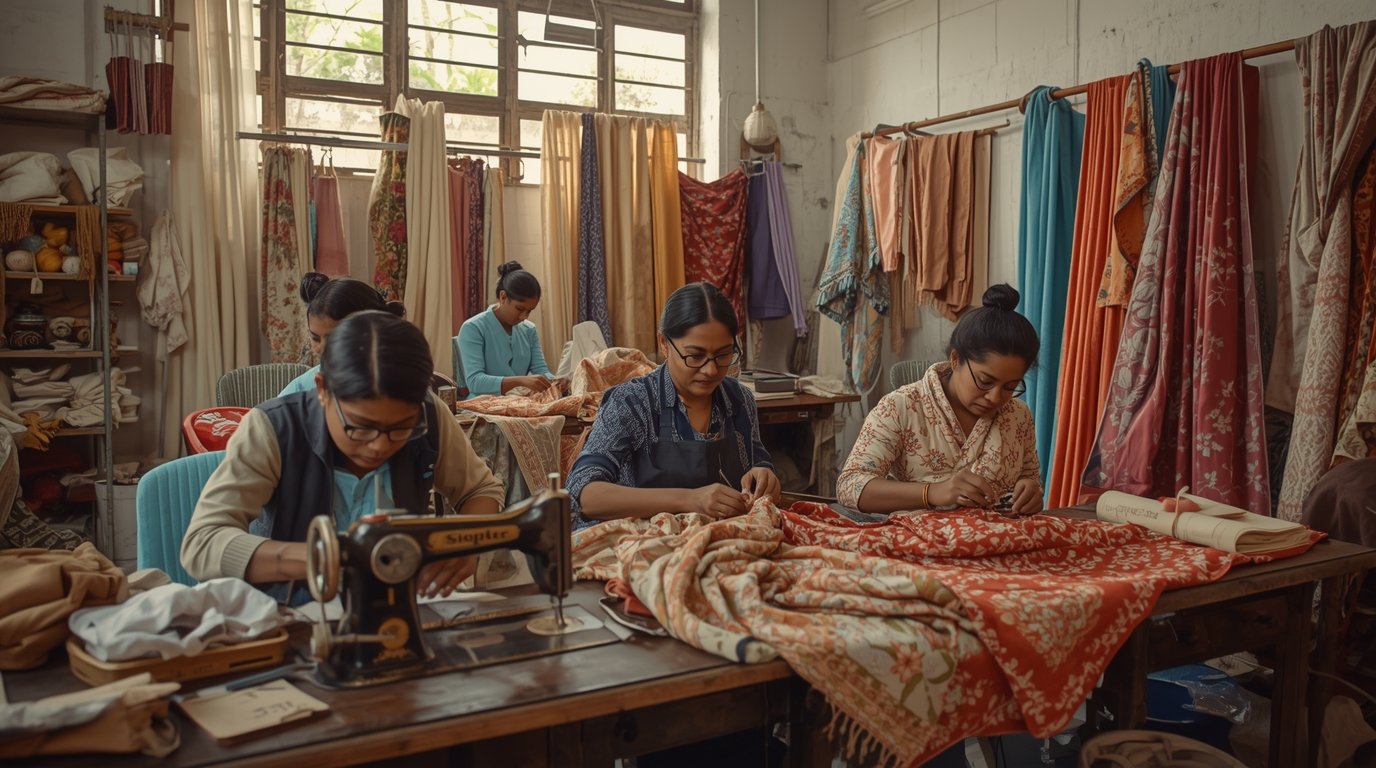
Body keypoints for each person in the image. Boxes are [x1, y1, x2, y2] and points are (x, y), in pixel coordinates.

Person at [182, 311, 505, 605]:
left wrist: (468, 543)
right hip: (293, 612)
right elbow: (203, 542)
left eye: (400, 429)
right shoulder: (273, 429)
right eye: (360, 427)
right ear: (323, 390)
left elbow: (480, 490)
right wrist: (327, 557)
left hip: (397, 604)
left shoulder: (430, 416)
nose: (379, 446)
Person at [567, 282, 781, 530]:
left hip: (722, 536)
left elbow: (758, 464)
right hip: (643, 540)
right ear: (664, 343)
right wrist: (689, 500)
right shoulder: (632, 402)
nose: (711, 370)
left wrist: (765, 478)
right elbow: (584, 493)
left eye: (723, 355)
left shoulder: (739, 400)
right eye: (695, 356)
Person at [837, 284, 1043, 517]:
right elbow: (850, 486)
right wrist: (932, 492)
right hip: (921, 535)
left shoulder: (1018, 415)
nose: (996, 397)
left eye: (1010, 387)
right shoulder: (900, 407)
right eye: (985, 381)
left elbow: (1030, 478)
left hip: (1002, 534)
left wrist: (1031, 492)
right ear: (955, 359)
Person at [279, 272, 405, 396]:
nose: (321, 348)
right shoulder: (298, 392)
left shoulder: (402, 385)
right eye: (315, 338)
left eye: (334, 338)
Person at [457, 261, 556, 398]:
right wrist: (521, 381)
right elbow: (475, 381)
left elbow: (540, 370)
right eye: (519, 309)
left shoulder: (529, 330)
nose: (524, 316)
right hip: (483, 404)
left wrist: (555, 380)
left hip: (520, 402)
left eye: (529, 311)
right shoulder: (473, 328)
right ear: (503, 297)